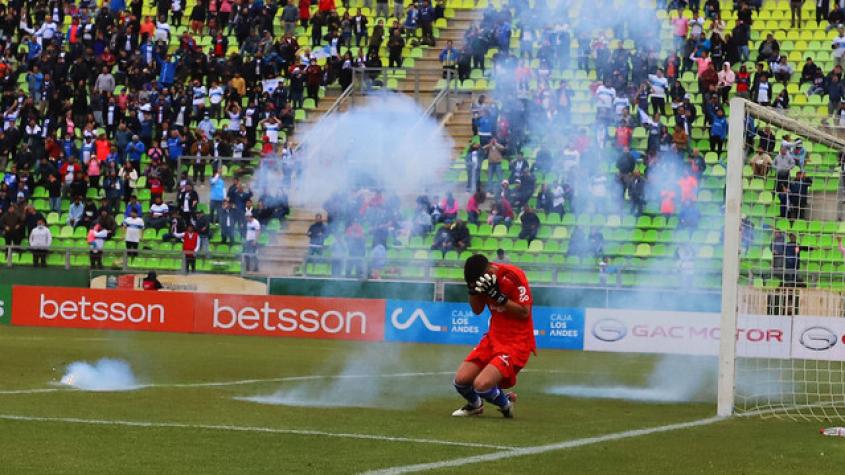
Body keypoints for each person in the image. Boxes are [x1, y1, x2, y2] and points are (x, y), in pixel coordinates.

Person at [452, 254, 534, 418]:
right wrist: (473, 290)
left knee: (481, 385)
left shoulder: (513, 275)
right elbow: (477, 310)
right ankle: (475, 406)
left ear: (490, 268)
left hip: (516, 342)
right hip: (493, 337)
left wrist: (499, 297)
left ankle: (506, 404)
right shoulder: (483, 280)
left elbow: (525, 312)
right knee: (461, 380)